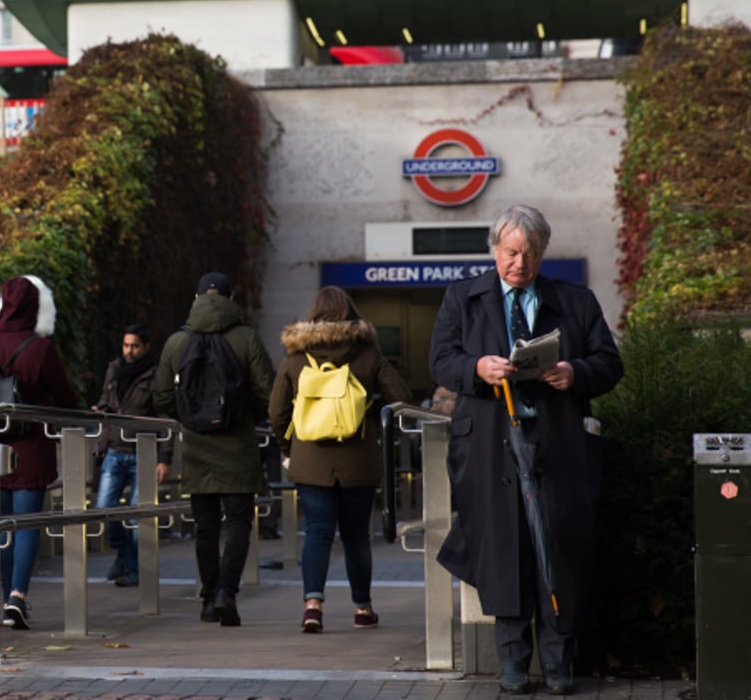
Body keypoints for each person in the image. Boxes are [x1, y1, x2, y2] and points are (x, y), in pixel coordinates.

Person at [428, 205, 623, 696]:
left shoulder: (575, 301)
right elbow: (441, 361)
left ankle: (558, 665)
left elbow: (609, 363)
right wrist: (478, 368)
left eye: (531, 254)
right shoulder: (462, 298)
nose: (521, 263)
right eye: (512, 252)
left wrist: (574, 372)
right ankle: (512, 665)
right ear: (496, 249)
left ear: (542, 253)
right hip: (491, 446)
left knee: (557, 550)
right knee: (503, 549)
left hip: (558, 444)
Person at [267, 286, 412, 634]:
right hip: (358, 459)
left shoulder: (295, 356)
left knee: (317, 532)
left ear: (313, 313)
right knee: (356, 536)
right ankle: (363, 609)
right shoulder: (367, 353)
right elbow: (402, 398)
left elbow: (276, 411)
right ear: (351, 312)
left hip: (310, 458)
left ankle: (313, 607)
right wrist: (368, 411)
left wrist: (289, 447)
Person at [154, 271, 275, 627]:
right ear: (231, 299)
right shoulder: (247, 338)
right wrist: (243, 416)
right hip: (238, 445)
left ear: (196, 299)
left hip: (196, 448)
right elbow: (267, 393)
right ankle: (227, 592)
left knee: (205, 527)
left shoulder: (176, 342)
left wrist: (191, 417)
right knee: (239, 521)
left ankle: (208, 598)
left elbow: (161, 397)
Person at [0, 274, 80, 630]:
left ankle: (5, 602)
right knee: (28, 523)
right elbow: (64, 398)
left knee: (5, 525)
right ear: (34, 306)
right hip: (32, 446)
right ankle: (17, 596)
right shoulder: (40, 349)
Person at [92, 322, 173, 587]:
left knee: (139, 516)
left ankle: (135, 569)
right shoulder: (114, 369)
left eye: (135, 346)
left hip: (143, 453)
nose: (129, 350)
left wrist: (165, 458)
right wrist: (100, 409)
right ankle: (124, 553)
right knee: (104, 508)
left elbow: (165, 417)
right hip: (115, 449)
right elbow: (107, 399)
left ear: (146, 347)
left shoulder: (156, 375)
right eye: (126, 345)